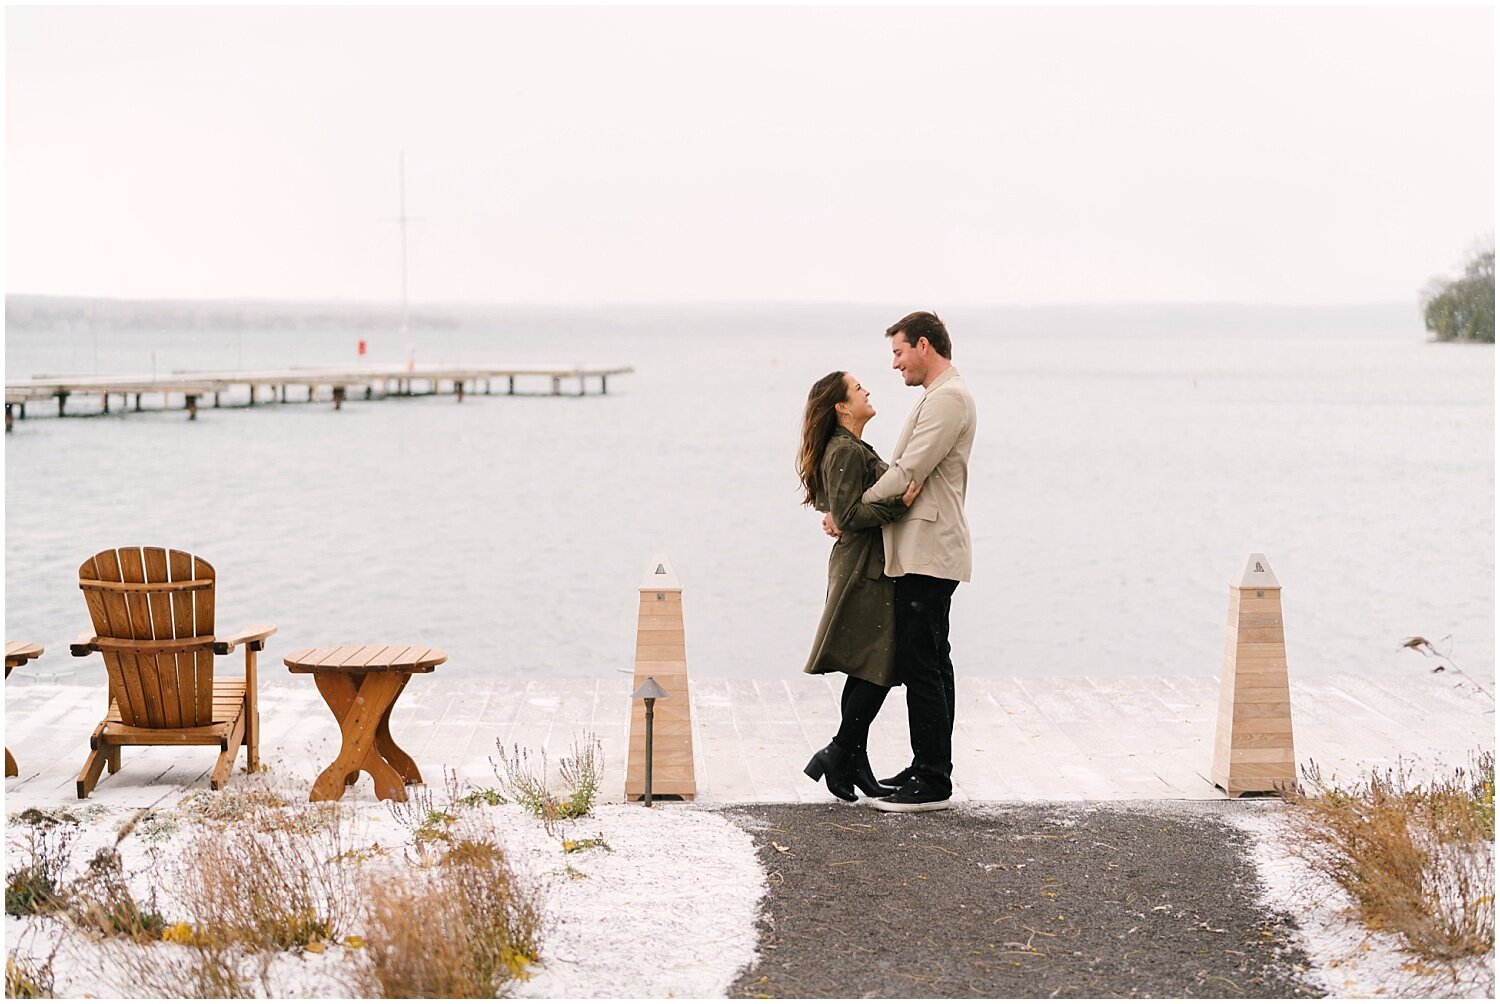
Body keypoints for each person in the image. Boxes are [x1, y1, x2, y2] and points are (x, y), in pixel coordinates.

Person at [825, 311, 976, 812]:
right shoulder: (938, 397)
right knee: (932, 663)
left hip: (929, 552)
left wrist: (851, 512)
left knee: (923, 667)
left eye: (898, 352)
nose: (894, 365)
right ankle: (929, 765)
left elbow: (910, 469)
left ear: (925, 346)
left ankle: (932, 780)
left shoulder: (949, 398)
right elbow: (904, 473)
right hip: (924, 551)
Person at [797, 370, 922, 802]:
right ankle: (839, 752)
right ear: (843, 407)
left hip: (864, 564)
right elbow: (849, 515)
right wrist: (898, 505)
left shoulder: (849, 448)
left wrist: (842, 514)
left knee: (868, 665)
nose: (868, 390)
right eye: (858, 388)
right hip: (863, 568)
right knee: (878, 665)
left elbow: (836, 507)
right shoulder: (845, 450)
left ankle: (851, 758)